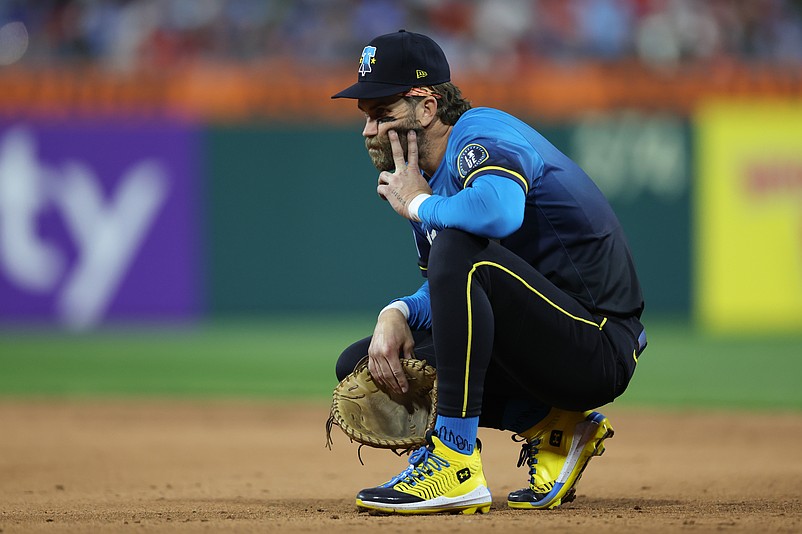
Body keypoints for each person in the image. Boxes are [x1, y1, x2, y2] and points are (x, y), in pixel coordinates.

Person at [331, 30, 647, 515]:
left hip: (597, 343)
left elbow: (498, 213)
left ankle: (455, 461)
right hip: (539, 341)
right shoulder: (426, 183)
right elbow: (450, 287)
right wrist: (398, 312)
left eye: (382, 113)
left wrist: (419, 204)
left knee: (456, 245)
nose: (368, 131)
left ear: (427, 106)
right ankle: (553, 426)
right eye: (366, 117)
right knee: (369, 363)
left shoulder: (480, 133)